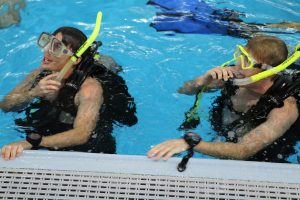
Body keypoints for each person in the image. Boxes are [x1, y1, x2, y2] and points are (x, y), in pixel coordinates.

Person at [148, 35, 300, 163]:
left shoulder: (284, 108)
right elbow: (184, 91)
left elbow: (243, 151)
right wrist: (202, 80)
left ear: (268, 72)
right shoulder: (233, 74)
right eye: (240, 55)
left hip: (262, 154)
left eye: (246, 61)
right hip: (228, 130)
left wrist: (190, 143)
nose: (239, 65)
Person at [0, 26, 138, 160]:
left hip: (89, 145)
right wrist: (33, 93)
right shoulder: (38, 74)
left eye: (57, 47)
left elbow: (82, 134)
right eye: (48, 42)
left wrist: (33, 143)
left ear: (76, 59)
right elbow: (6, 105)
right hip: (57, 117)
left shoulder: (89, 90)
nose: (46, 50)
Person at [148, 0, 300, 38]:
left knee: (249, 30)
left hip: (197, 17)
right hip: (198, 9)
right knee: (248, 28)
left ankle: (292, 27)